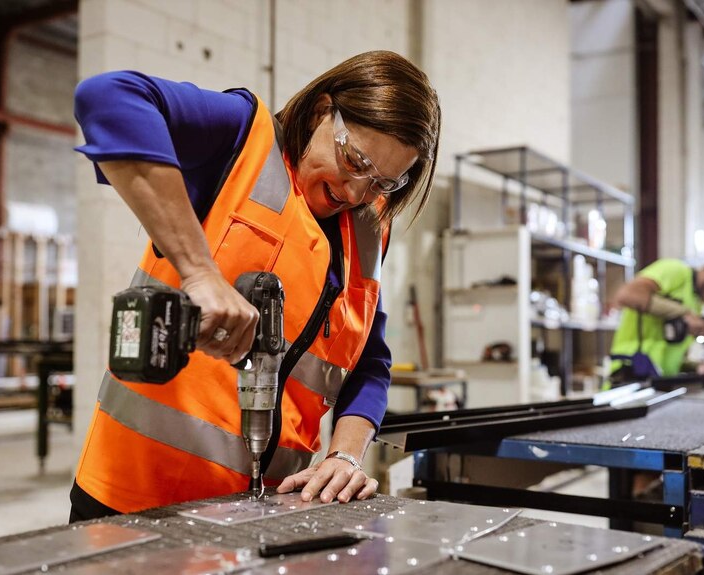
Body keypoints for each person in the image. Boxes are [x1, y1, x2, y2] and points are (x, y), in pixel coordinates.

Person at [69, 51, 441, 521]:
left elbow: (370, 362)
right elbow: (107, 96)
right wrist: (199, 272)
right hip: (131, 502)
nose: (354, 192)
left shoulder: (368, 232)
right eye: (353, 159)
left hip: (263, 514)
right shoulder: (243, 141)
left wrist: (343, 456)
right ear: (322, 111)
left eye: (381, 182)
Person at [608, 252, 704, 384]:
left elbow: (672, 358)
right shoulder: (676, 271)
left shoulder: (696, 303)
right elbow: (627, 295)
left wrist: (698, 367)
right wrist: (682, 313)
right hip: (627, 378)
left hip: (657, 384)